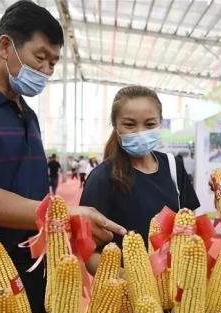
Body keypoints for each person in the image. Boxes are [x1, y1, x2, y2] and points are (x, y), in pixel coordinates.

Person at [0, 2, 126, 313]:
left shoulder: (27, 113)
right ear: (6, 46)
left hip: (37, 265)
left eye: (53, 62)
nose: (47, 70)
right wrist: (63, 215)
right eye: (40, 56)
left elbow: (35, 194)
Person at [80, 85, 200, 259]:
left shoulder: (174, 166)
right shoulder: (102, 178)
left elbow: (189, 222)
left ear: (160, 122)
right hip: (124, 282)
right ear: (115, 125)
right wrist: (122, 279)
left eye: (150, 124)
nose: (140, 133)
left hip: (172, 281)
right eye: (129, 124)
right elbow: (89, 249)